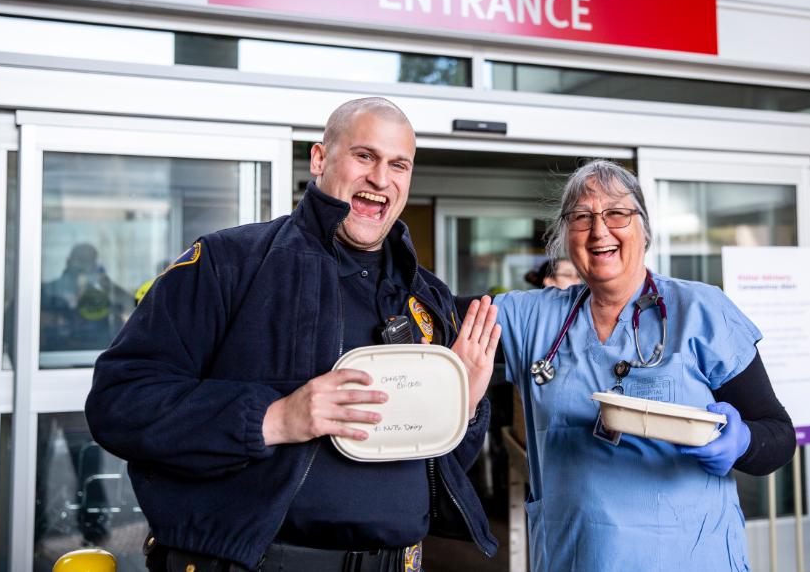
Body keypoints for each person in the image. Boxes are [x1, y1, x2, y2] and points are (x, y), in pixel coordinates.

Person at [86, 97, 500, 572]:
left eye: (398, 164)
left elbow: (440, 466)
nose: (380, 178)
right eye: (364, 156)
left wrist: (463, 408)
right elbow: (120, 402)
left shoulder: (427, 296)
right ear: (319, 159)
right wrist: (276, 418)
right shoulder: (228, 263)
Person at [493, 160, 795, 571]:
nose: (599, 230)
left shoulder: (701, 311)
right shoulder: (532, 318)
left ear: (644, 229)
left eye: (617, 213)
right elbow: (432, 313)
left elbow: (778, 435)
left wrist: (743, 443)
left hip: (690, 559)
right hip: (572, 558)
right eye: (582, 217)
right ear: (565, 236)